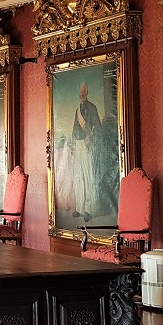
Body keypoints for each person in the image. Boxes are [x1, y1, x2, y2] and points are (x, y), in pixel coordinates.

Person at [71, 82, 102, 222]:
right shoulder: (77, 110)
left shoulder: (92, 107)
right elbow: (74, 128)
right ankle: (80, 207)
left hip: (87, 144)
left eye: (84, 91)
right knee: (78, 176)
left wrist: (91, 137)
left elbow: (98, 128)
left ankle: (89, 209)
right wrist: (72, 144)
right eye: (80, 91)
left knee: (88, 176)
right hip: (78, 144)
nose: (81, 93)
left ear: (87, 92)